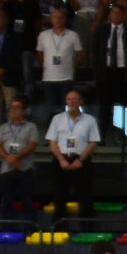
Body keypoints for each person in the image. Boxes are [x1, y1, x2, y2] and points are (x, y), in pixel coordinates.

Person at [45, 89, 100, 223]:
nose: (72, 102)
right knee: (59, 197)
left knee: (85, 197)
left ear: (81, 101)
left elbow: (93, 142)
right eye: (69, 99)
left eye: (75, 99)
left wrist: (80, 160)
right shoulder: (57, 119)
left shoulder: (90, 120)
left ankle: (86, 229)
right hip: (61, 159)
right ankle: (58, 228)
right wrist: (61, 159)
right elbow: (52, 142)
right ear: (66, 101)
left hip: (81, 160)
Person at [0, 97, 40, 225]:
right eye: (11, 108)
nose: (13, 110)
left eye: (17, 108)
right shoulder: (3, 127)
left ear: (24, 111)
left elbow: (32, 145)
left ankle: (30, 229)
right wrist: (8, 158)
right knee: (6, 200)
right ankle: (7, 230)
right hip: (6, 169)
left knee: (27, 200)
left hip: (25, 168)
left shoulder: (31, 127)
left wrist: (16, 157)